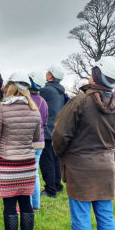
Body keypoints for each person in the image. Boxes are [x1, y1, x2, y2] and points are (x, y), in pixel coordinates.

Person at [52, 56, 115, 230]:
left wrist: (61, 153)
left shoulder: (79, 102)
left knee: (80, 218)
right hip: (107, 167)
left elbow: (60, 135)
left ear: (96, 75)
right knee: (106, 215)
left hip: (79, 169)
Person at [0, 71, 41, 230]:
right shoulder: (34, 111)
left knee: (9, 204)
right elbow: (36, 137)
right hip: (27, 164)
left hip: (7, 164)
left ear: (12, 87)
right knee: (26, 202)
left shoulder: (3, 110)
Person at [39, 65, 69, 198]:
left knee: (47, 161)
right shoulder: (60, 91)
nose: (46, 73)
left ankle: (50, 190)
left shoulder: (46, 90)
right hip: (57, 130)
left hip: (46, 130)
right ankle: (57, 185)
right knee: (55, 160)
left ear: (51, 76)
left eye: (48, 72)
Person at [27, 70, 49, 211]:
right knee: (34, 172)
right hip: (40, 141)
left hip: (28, 141)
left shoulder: (27, 100)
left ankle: (27, 204)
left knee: (27, 173)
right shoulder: (44, 102)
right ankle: (36, 204)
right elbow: (45, 122)